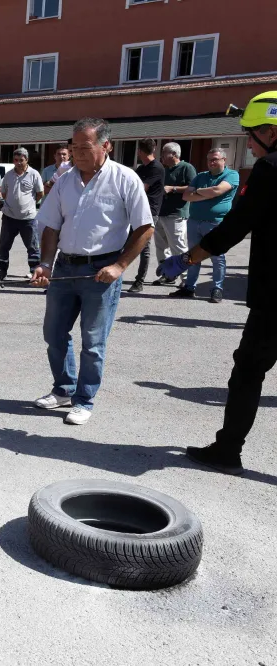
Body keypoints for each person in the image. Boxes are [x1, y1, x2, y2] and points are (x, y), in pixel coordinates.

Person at [156, 91, 277, 475]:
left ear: (270, 131)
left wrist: (188, 258)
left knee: (248, 370)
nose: (249, 146)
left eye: (250, 137)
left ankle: (228, 450)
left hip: (275, 296)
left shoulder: (271, 170)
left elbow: (237, 225)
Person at [31, 118, 154, 425]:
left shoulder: (125, 179)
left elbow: (144, 227)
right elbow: (50, 226)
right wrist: (45, 263)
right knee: (54, 334)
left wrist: (119, 266)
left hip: (102, 271)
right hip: (64, 269)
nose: (77, 154)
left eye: (85, 148)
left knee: (93, 341)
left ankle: (84, 399)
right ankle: (63, 389)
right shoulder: (64, 180)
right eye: (74, 148)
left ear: (105, 146)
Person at [168, 149, 239, 302]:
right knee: (193, 256)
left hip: (216, 223)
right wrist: (209, 193)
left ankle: (217, 289)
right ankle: (189, 287)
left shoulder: (231, 175)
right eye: (209, 160)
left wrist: (198, 192)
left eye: (215, 159)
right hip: (194, 221)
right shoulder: (201, 176)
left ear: (224, 160)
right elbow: (186, 196)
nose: (211, 162)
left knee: (217, 258)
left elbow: (219, 190)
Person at [0, 147, 44, 281]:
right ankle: (1, 271)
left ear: (26, 160)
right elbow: (4, 193)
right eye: (15, 160)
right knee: (4, 246)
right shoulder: (9, 175)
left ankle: (34, 272)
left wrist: (27, 205)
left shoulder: (34, 174)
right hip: (9, 217)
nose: (18, 163)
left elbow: (40, 193)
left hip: (28, 218)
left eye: (21, 160)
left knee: (33, 247)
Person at [151, 142, 195, 286]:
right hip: (160, 213)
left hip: (176, 214)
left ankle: (186, 278)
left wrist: (173, 188)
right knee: (161, 247)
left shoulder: (186, 168)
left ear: (174, 154)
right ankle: (167, 274)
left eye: (164, 153)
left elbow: (193, 187)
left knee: (179, 247)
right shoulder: (164, 170)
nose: (161, 156)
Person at [128, 138, 166, 293]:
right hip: (134, 210)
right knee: (123, 242)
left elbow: (140, 188)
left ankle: (139, 281)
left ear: (140, 152)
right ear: (154, 149)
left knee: (144, 246)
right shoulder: (141, 168)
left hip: (149, 212)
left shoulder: (157, 167)